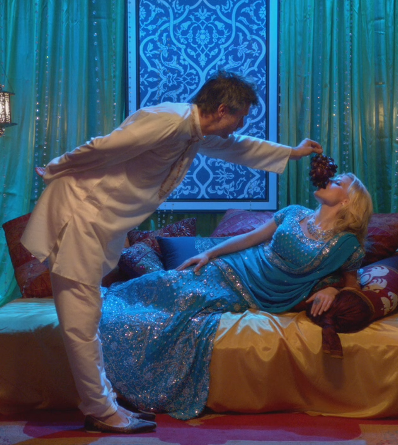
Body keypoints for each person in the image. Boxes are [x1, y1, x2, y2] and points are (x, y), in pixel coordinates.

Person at [20, 71, 324, 433]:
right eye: (241, 116)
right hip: (80, 217)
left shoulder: (192, 132)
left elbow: (236, 146)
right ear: (222, 109)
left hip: (98, 223)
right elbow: (106, 146)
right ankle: (101, 410)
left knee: (87, 317)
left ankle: (102, 403)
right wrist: (57, 166)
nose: (241, 125)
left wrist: (292, 152)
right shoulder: (169, 120)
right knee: (81, 323)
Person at [99, 172, 373, 420]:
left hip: (257, 291)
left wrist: (333, 288)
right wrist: (209, 253)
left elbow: (353, 286)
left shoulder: (347, 245)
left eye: (338, 182)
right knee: (167, 282)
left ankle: (119, 362)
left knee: (184, 304)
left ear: (348, 201)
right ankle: (98, 312)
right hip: (235, 264)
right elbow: (251, 238)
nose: (328, 180)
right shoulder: (294, 212)